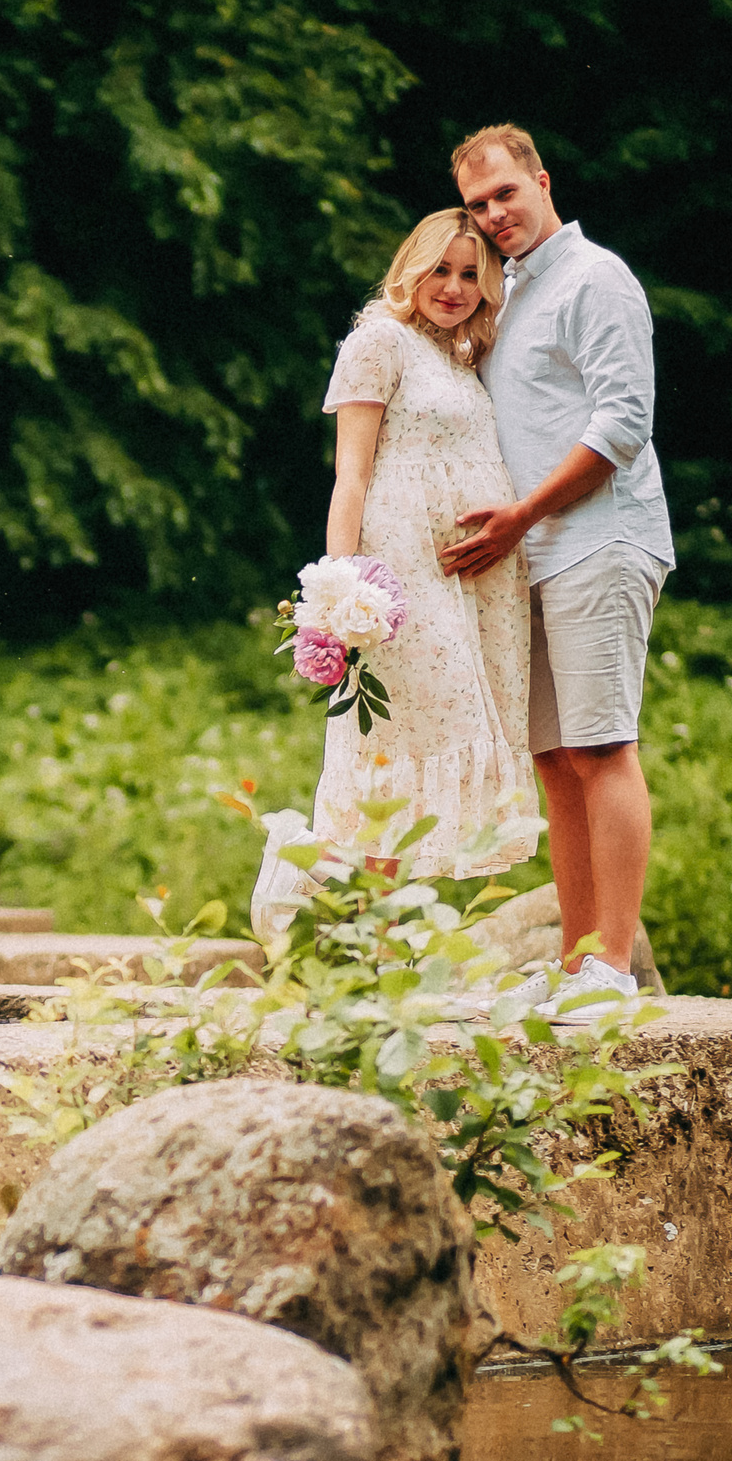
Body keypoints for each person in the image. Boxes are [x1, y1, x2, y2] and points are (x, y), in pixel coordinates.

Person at [439, 124, 675, 1015]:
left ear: (542, 180)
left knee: (602, 745)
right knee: (555, 758)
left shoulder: (594, 277)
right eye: (477, 205)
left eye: (505, 194)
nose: (494, 215)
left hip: (599, 540)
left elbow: (623, 424)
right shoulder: (509, 295)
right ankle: (580, 961)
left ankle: (613, 963)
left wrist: (523, 516)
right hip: (527, 558)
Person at [250, 208, 537, 940]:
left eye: (471, 274)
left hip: (471, 585)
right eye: (440, 268)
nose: (453, 286)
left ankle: (369, 936)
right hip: (404, 576)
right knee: (402, 745)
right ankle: (333, 900)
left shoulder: (461, 356)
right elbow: (351, 474)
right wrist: (341, 588)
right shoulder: (378, 341)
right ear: (412, 265)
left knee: (424, 748)